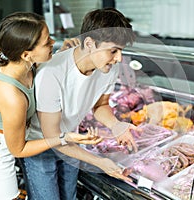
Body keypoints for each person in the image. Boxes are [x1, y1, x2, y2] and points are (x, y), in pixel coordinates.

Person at [0, 12, 126, 200]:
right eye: (46, 42)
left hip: (19, 137)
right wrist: (63, 137)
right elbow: (18, 149)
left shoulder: (24, 64)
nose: (53, 42)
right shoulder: (11, 96)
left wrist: (59, 55)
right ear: (26, 54)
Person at [23, 7, 140, 200]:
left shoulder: (109, 68)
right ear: (90, 43)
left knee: (69, 196)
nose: (119, 58)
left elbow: (100, 105)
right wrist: (99, 162)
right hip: (42, 145)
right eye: (113, 50)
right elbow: (53, 137)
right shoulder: (52, 73)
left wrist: (115, 125)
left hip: (72, 141)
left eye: (121, 51)